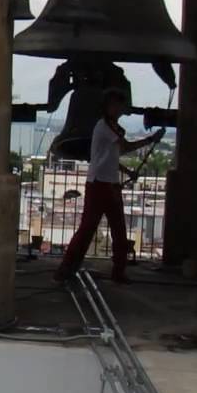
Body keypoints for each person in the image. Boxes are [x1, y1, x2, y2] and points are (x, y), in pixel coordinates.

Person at [54, 89, 164, 284]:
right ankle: (67, 269)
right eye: (115, 105)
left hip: (106, 184)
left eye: (119, 105)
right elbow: (125, 147)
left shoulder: (109, 127)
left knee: (116, 230)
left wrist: (127, 172)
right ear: (107, 107)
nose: (119, 108)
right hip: (100, 185)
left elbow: (111, 155)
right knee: (91, 229)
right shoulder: (105, 127)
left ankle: (115, 272)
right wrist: (150, 140)